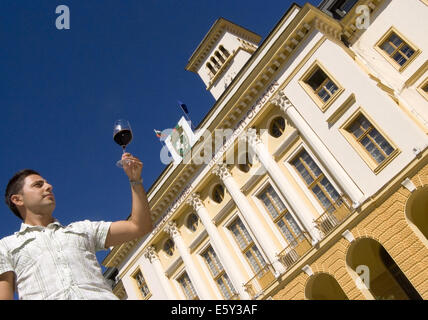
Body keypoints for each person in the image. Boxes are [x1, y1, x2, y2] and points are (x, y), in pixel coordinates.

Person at [0, 153, 153, 300]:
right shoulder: (6, 246)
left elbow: (139, 226)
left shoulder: (83, 229)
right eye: (38, 185)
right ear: (17, 200)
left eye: (47, 183)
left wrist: (135, 180)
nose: (49, 186)